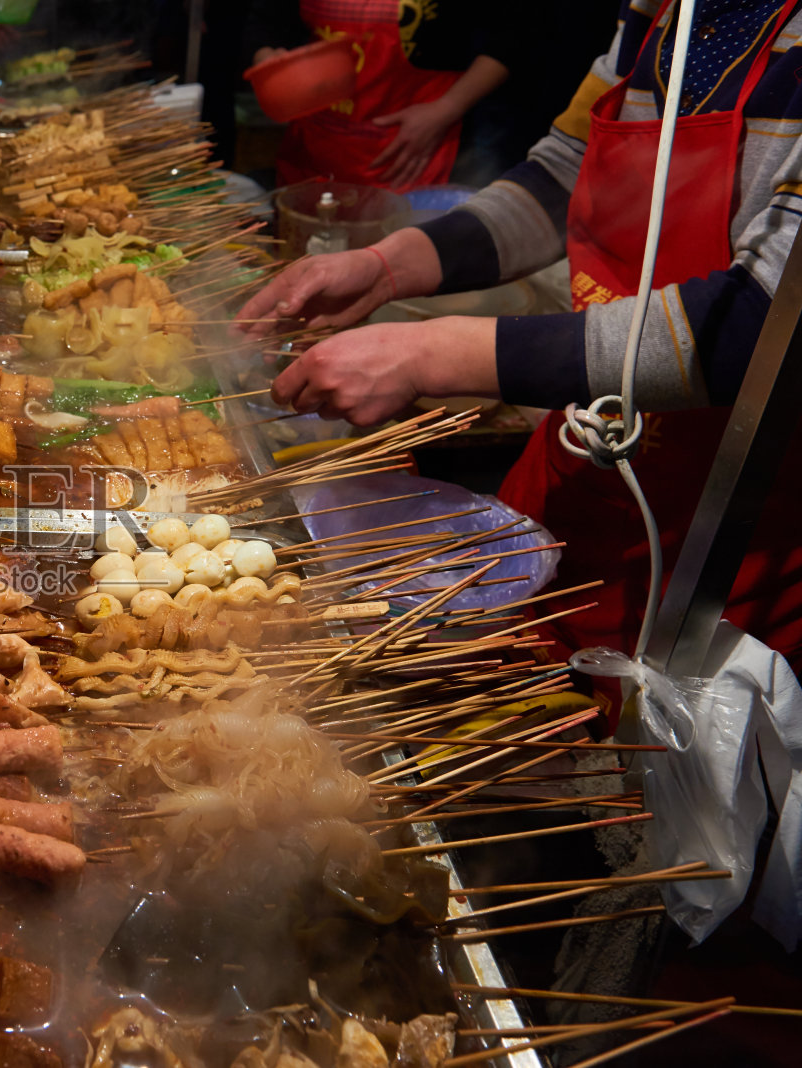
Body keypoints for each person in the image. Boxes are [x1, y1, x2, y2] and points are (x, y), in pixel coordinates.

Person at [238, 0, 802, 677]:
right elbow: (563, 174)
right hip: (592, 457)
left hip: (729, 538)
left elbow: (765, 322)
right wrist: (390, 264)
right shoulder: (659, 12)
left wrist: (435, 354)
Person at [255, 2, 515, 190]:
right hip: (316, 146)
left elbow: (515, 33)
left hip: (410, 152)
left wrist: (447, 107)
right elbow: (267, 21)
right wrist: (267, 59)